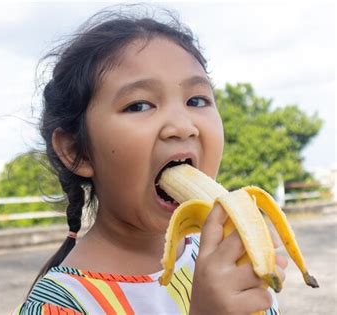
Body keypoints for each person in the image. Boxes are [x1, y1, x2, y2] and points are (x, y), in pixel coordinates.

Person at [15, 4, 287, 315]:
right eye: (140, 105)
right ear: (77, 151)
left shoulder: (220, 259)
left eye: (196, 100)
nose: (183, 126)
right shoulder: (59, 306)